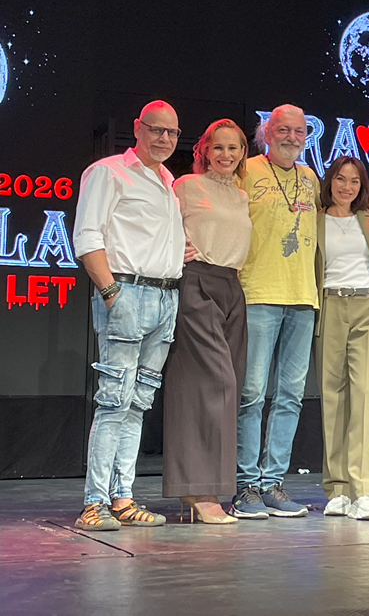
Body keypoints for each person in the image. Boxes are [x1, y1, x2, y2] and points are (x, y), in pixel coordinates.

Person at [71, 100, 186, 531]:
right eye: (156, 129)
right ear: (138, 128)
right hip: (126, 292)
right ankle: (94, 503)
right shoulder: (109, 172)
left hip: (165, 297)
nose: (164, 138)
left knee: (137, 405)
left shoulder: (168, 180)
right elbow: (87, 236)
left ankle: (122, 498)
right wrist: (111, 293)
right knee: (114, 401)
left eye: (172, 133)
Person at [230, 104, 320, 519]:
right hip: (257, 294)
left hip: (303, 297)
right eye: (283, 129)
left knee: (290, 397)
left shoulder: (311, 178)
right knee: (251, 394)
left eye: (299, 131)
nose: (291, 137)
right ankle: (245, 485)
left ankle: (273, 484)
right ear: (266, 133)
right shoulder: (245, 170)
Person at [161, 119, 252, 524]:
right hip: (198, 282)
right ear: (204, 151)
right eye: (218, 147)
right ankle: (201, 491)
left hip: (232, 285)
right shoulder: (186, 186)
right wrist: (174, 248)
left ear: (243, 152)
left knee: (227, 386)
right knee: (216, 383)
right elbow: (158, 221)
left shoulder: (242, 195)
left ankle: (202, 487)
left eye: (233, 148)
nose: (226, 155)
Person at [314, 156, 369, 522]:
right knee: (333, 396)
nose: (347, 187)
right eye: (340, 179)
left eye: (354, 181)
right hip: (330, 304)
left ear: (363, 187)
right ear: (329, 181)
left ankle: (365, 491)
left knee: (365, 395)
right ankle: (338, 490)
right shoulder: (315, 220)